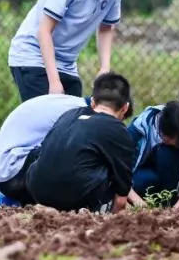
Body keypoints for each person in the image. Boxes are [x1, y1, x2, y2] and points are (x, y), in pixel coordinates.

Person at [7, 0, 144, 102]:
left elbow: (106, 28)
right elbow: (44, 31)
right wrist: (54, 82)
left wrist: (104, 68)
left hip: (67, 64)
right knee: (48, 120)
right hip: (33, 57)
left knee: (72, 121)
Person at [25, 72, 135, 213]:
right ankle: (92, 210)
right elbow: (121, 198)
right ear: (125, 108)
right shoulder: (118, 130)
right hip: (77, 197)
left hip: (38, 191)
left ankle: (48, 207)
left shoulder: (68, 115)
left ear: (93, 102)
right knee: (114, 171)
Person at [0, 92, 89, 210]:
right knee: (76, 158)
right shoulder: (80, 113)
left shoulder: (74, 104)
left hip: (6, 171)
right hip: (13, 173)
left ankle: (13, 202)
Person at [125, 100, 179, 209]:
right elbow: (120, 171)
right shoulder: (140, 127)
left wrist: (177, 209)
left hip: (174, 178)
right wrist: (141, 206)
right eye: (170, 140)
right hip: (145, 175)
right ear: (161, 132)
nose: (176, 144)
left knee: (166, 153)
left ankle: (169, 202)